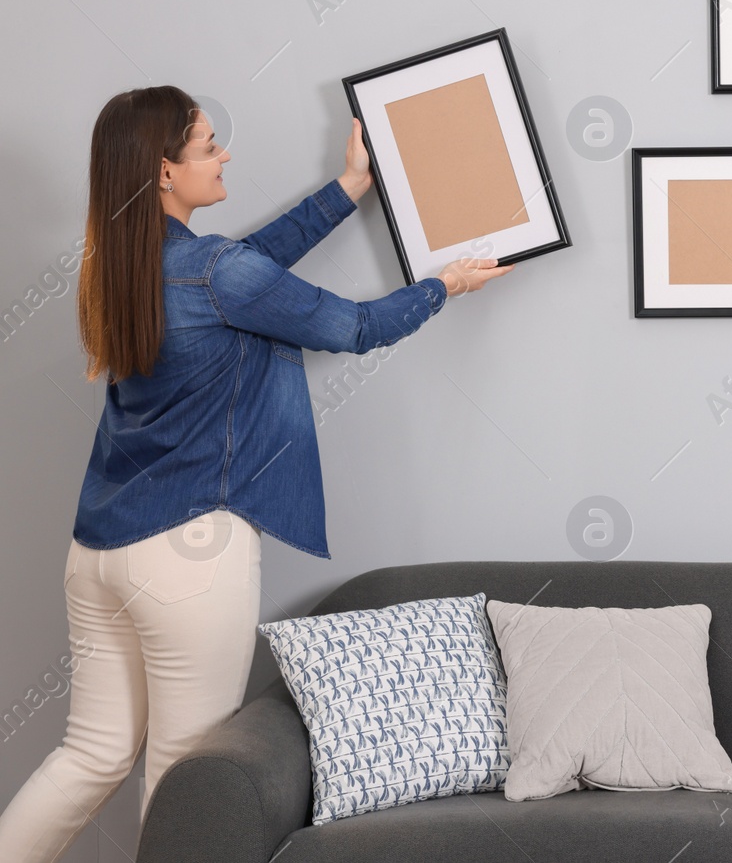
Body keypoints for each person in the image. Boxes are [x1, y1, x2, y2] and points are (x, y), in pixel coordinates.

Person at [0, 86, 514, 861]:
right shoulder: (215, 273)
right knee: (185, 773)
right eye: (208, 145)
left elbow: (252, 266)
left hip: (98, 553)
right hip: (188, 555)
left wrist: (347, 191)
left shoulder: (119, 266)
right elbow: (356, 325)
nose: (224, 153)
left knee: (91, 753)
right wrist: (448, 283)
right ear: (165, 172)